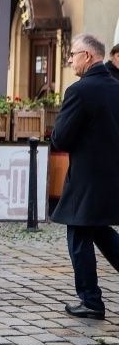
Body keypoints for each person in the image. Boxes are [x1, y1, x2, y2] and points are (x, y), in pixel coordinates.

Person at [50, 33, 119, 320]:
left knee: (79, 236)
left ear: (88, 56)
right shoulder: (116, 87)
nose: (70, 60)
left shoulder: (80, 90)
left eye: (73, 55)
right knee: (100, 231)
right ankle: (90, 300)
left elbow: (62, 138)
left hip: (86, 179)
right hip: (112, 175)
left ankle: (91, 301)